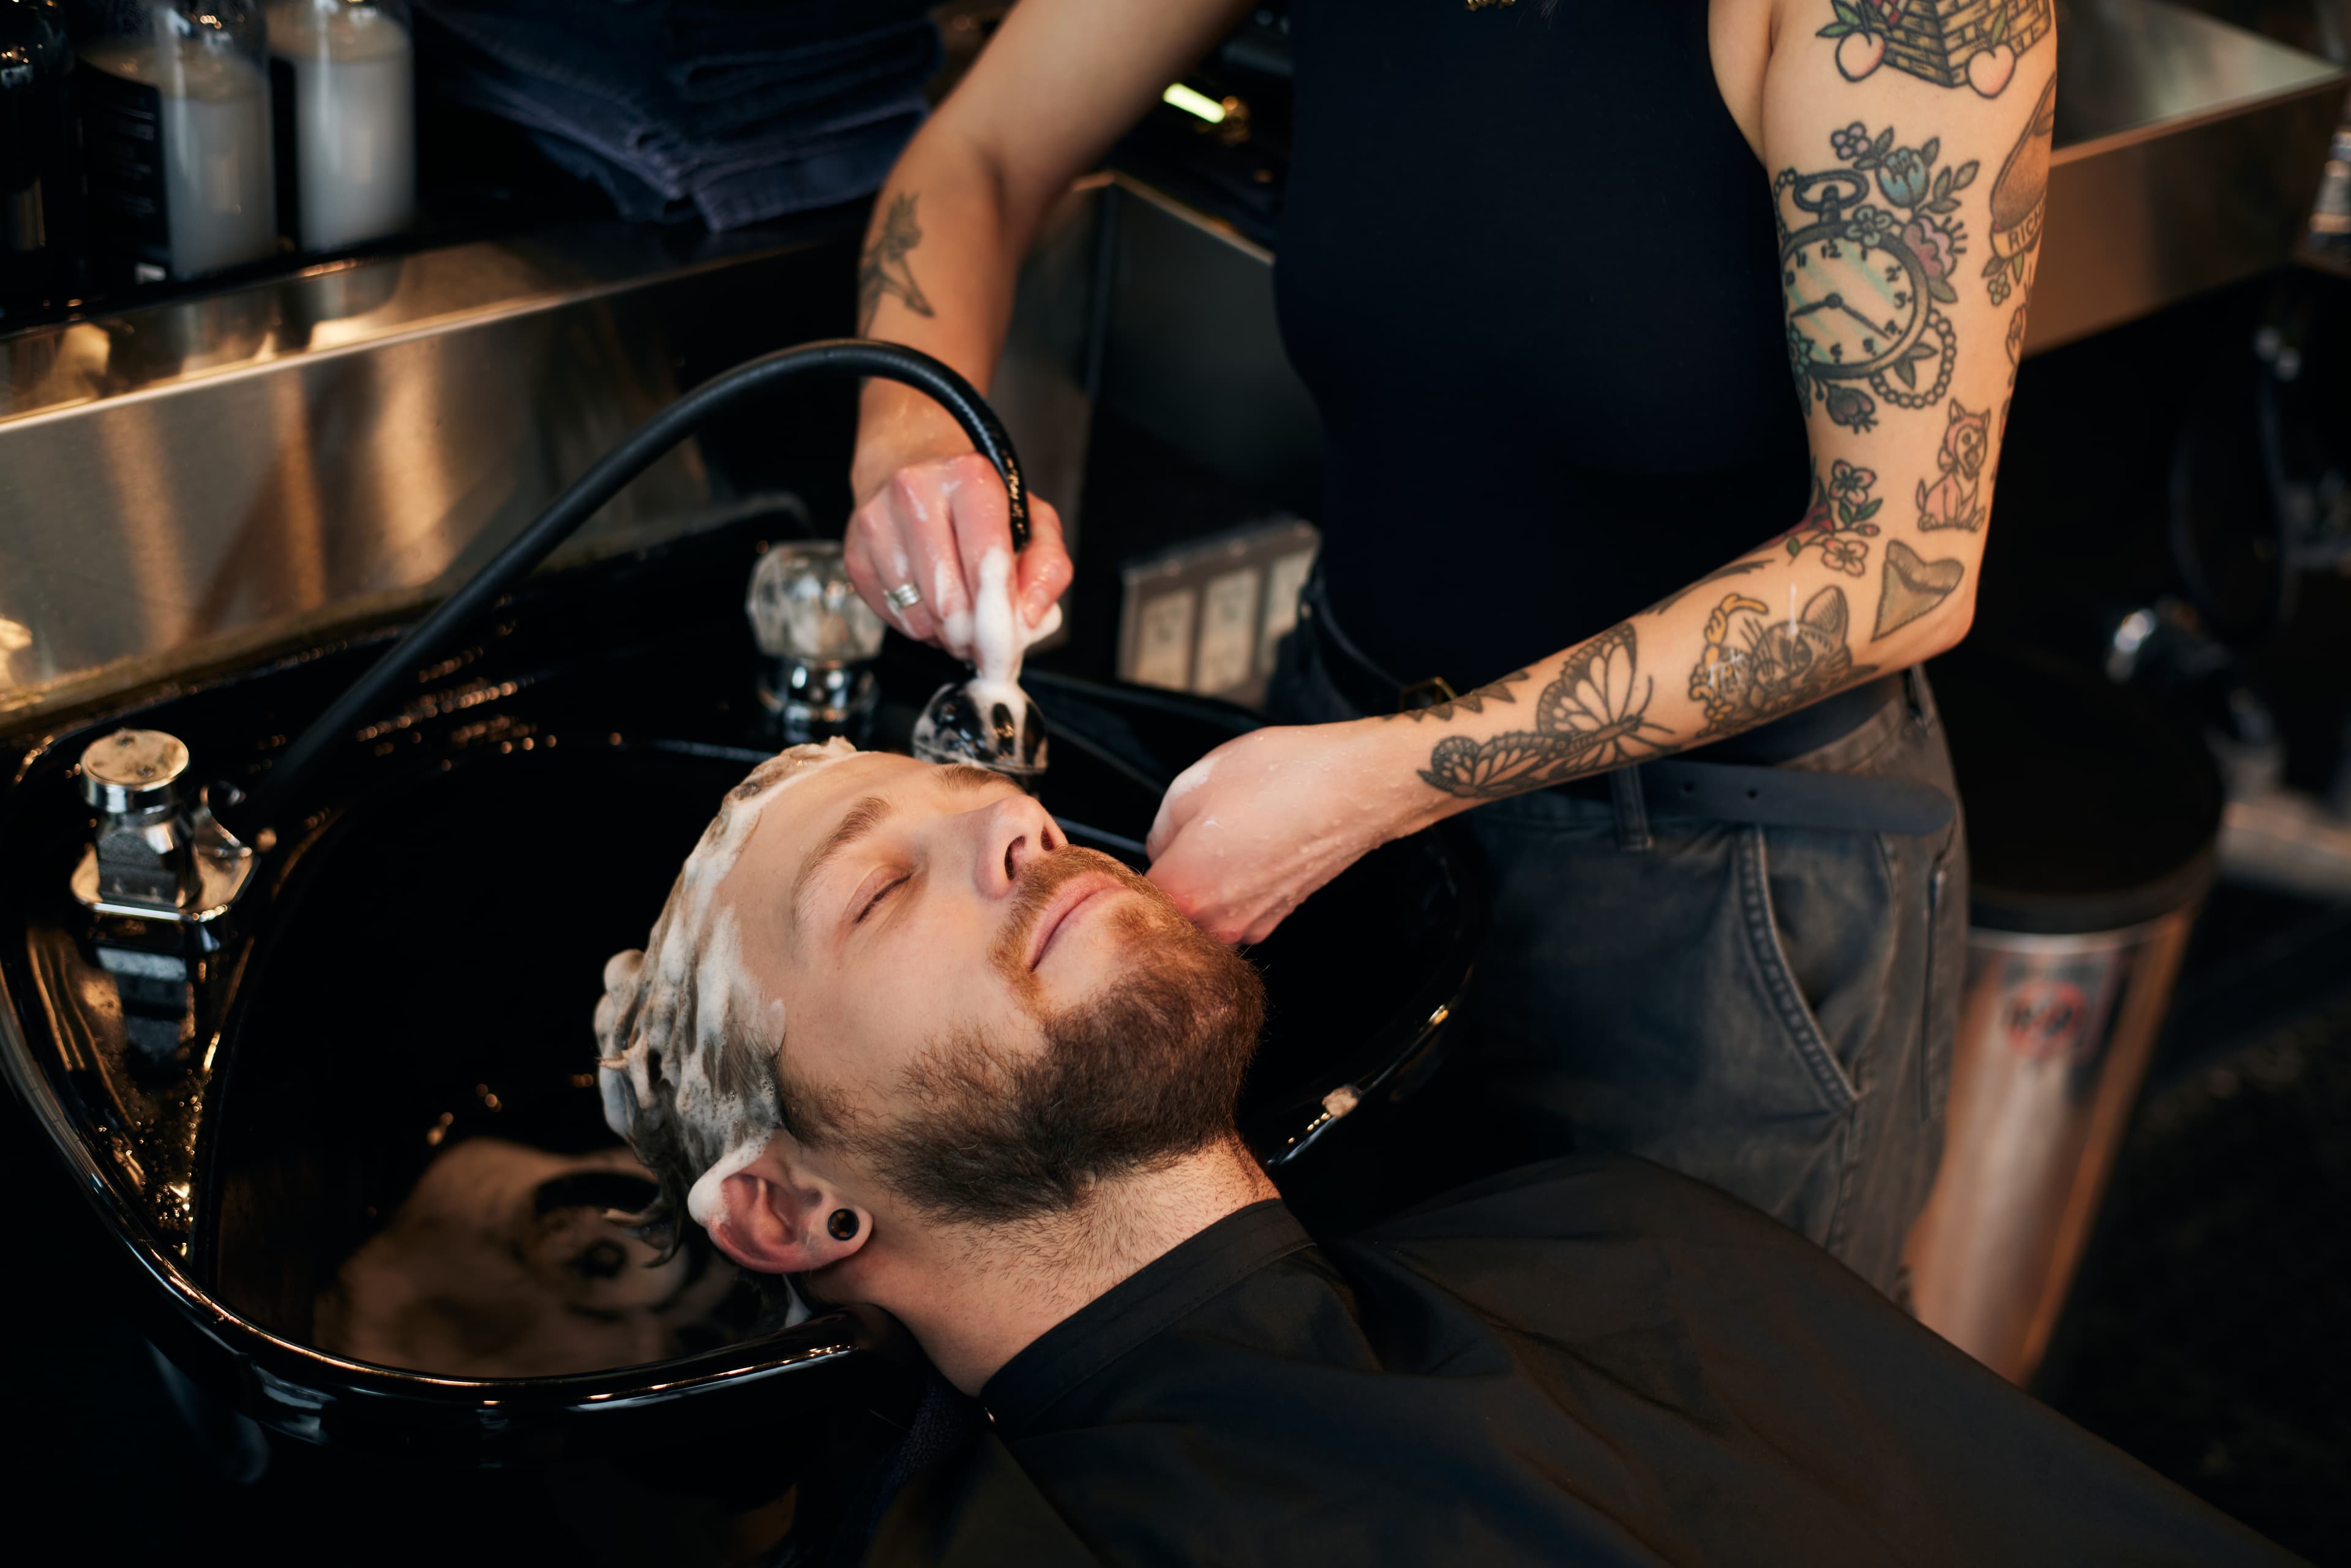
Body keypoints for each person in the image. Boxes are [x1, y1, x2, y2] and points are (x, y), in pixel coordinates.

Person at [836, 0, 2058, 1294]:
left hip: (1709, 900)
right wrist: (914, 436)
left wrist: (1384, 778)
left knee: (1657, 1470)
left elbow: (1904, 568)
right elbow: (981, 154)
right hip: (1333, 778)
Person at [591, 745, 2286, 1567]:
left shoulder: (1618, 1238)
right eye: (880, 889)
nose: (1016, 822)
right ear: (791, 1205)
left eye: (986, 791)